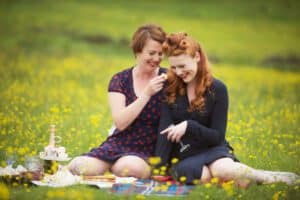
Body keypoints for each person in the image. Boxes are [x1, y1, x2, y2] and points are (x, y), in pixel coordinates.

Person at [155, 32, 299, 187]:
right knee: (203, 177)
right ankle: (250, 178)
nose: (178, 72)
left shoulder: (218, 89)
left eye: (182, 66)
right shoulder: (170, 89)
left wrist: (189, 126)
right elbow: (164, 131)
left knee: (223, 170)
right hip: (184, 156)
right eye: (174, 67)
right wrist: (158, 168)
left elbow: (217, 136)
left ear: (197, 57)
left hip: (213, 149)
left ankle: (271, 179)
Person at [68, 24, 167, 179]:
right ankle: (106, 171)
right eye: (152, 53)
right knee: (77, 166)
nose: (156, 59)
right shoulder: (120, 80)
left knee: (128, 168)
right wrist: (147, 94)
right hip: (118, 143)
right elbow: (120, 122)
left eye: (161, 54)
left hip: (146, 149)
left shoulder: (168, 79)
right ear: (137, 51)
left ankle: (108, 173)